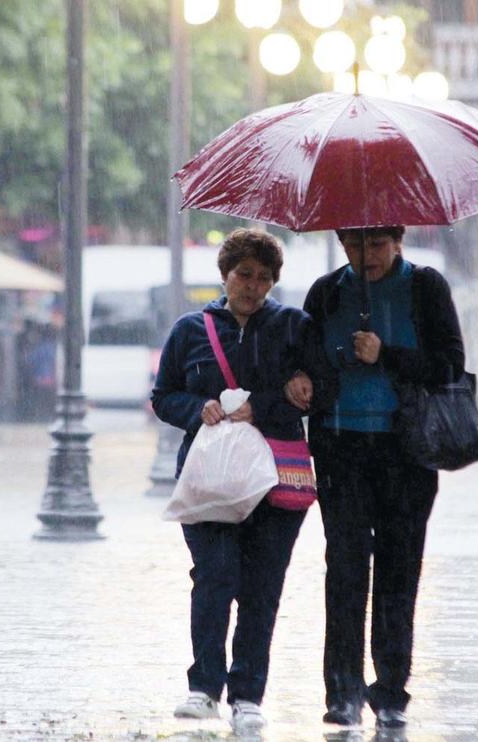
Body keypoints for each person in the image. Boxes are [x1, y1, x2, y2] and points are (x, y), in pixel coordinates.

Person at [151, 228, 334, 734]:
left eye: (262, 278)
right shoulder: (191, 329)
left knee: (261, 587)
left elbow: (321, 390)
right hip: (208, 478)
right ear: (224, 275)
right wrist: (197, 408)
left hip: (274, 480)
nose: (252, 287)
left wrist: (268, 405)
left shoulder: (294, 327)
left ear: (274, 281)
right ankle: (204, 688)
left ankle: (248, 693)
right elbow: (163, 394)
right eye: (243, 275)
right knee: (214, 577)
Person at [296, 225, 465, 731]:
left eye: (375, 244)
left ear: (397, 241)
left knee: (398, 570)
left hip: (405, 452)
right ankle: (342, 690)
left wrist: (385, 355)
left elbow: (450, 365)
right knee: (345, 569)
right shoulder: (327, 293)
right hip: (341, 449)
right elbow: (303, 357)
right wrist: (308, 375)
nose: (364, 255)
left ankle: (391, 691)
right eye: (354, 244)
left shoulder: (425, 287)